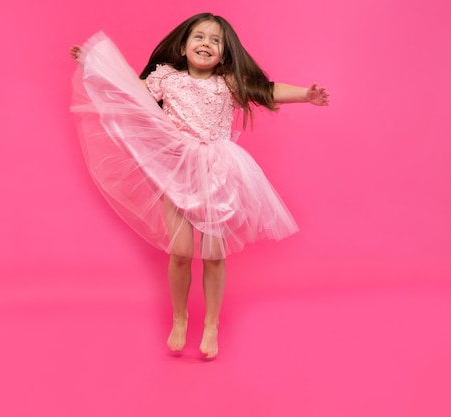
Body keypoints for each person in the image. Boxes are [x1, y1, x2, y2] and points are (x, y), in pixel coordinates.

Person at [69, 12, 329, 359]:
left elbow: (266, 90)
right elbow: (128, 89)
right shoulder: (167, 78)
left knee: (214, 255)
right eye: (199, 37)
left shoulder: (229, 84)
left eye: (215, 40)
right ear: (183, 45)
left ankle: (211, 324)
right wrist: (96, 64)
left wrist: (305, 95)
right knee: (180, 253)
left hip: (218, 171)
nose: (206, 44)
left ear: (225, 53)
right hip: (176, 168)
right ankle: (180, 318)